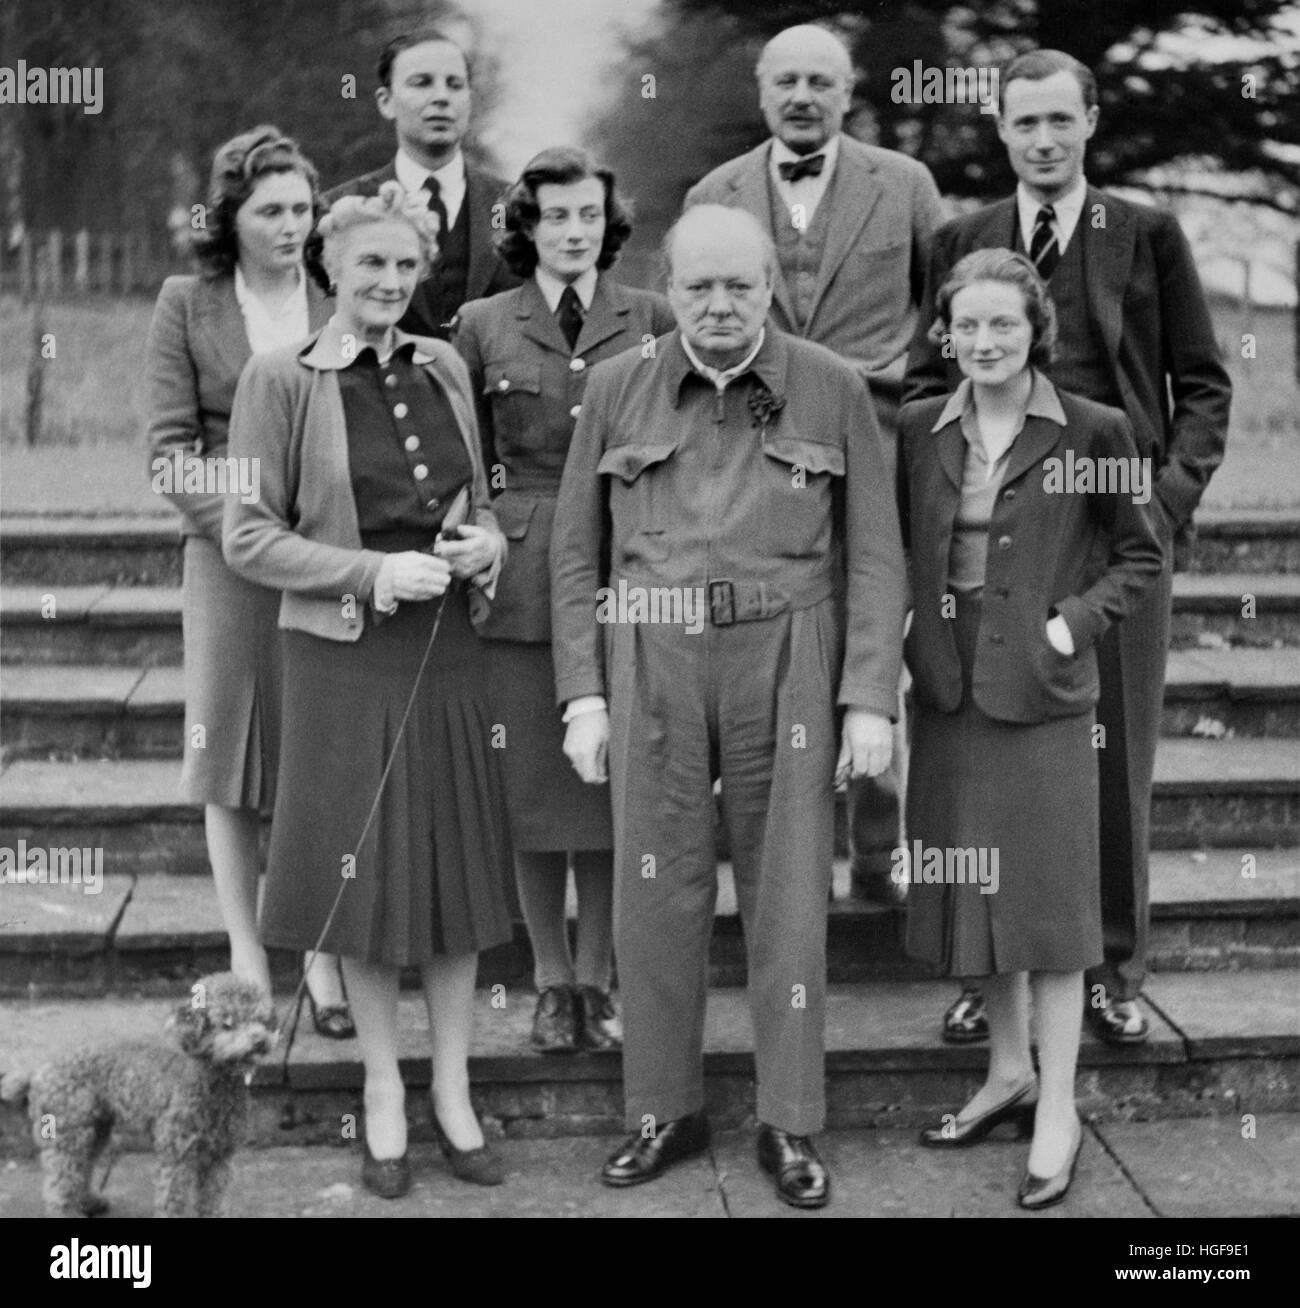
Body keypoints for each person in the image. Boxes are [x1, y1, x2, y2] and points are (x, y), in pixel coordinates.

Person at [550, 204, 907, 1209]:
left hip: (786, 651)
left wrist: (868, 696)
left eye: (737, 287)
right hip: (651, 653)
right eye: (697, 286)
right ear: (667, 287)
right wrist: (582, 693)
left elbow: (876, 553)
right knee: (653, 898)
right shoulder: (618, 387)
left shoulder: (828, 388)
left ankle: (788, 1119)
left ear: (768, 290)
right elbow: (576, 552)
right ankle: (664, 1106)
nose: (717, 306)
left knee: (789, 900)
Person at [904, 49, 1232, 1047]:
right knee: (981, 764)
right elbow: (924, 385)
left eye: (1059, 120)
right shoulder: (962, 237)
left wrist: (1163, 505)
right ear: (1000, 130)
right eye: (1023, 123)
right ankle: (985, 968)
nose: (1042, 140)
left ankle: (1110, 966)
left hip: (1113, 540)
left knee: (1114, 761)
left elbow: (1203, 383)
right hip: (990, 541)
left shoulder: (1146, 233)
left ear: (1088, 121)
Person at [224, 182, 513, 1197]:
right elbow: (247, 533)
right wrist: (369, 573)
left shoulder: (444, 364)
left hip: (448, 651)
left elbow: (483, 502)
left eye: (404, 266)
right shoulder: (280, 379)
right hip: (345, 657)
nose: (389, 282)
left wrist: (488, 546)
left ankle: (452, 1089)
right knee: (366, 884)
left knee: (453, 877)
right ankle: (383, 1090)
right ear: (328, 274)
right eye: (369, 267)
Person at [899, 248, 1162, 1208]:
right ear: (946, 334)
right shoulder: (918, 427)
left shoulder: (1096, 428)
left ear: (1035, 329)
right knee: (981, 898)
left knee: (1050, 913)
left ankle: (1059, 1103)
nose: (982, 341)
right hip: (948, 695)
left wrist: (1068, 624)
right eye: (965, 326)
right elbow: (893, 551)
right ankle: (1007, 1073)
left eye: (1001, 324)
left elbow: (1143, 553)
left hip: (1046, 698)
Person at [686, 22, 943, 907]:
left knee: (879, 635)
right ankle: (782, 856)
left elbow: (941, 316)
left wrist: (921, 418)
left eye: (820, 82)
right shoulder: (715, 192)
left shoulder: (905, 186)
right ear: (761, 91)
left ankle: (881, 847)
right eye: (786, 79)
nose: (802, 96)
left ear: (847, 93)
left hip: (879, 446)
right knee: (776, 646)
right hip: (757, 452)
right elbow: (696, 326)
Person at [454, 147, 675, 1054]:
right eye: (555, 217)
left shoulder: (654, 317)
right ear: (527, 227)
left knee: (618, 787)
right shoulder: (480, 323)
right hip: (521, 574)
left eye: (589, 215)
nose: (574, 231)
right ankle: (550, 982)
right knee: (536, 793)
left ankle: (602, 979)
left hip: (632, 561)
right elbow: (460, 450)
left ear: (609, 223)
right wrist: (472, 537)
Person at [144, 126, 354, 1038]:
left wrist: (319, 540)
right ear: (228, 218)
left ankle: (323, 949)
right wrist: (245, 532)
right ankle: (243, 946)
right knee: (229, 756)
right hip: (229, 564)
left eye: (301, 209)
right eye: (268, 209)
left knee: (320, 753)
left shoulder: (334, 299)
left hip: (323, 559)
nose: (287, 225)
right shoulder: (186, 304)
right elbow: (170, 451)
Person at [324, 28, 519, 338]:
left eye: (454, 85)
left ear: (469, 100)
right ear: (386, 102)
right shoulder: (339, 209)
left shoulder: (517, 207)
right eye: (422, 83)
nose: (441, 97)